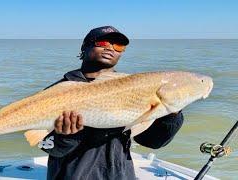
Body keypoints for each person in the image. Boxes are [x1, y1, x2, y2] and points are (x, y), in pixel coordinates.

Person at [39, 26, 184, 180]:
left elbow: (151, 141)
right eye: (102, 43)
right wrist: (66, 136)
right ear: (85, 46)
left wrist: (171, 114)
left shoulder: (133, 89)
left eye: (118, 45)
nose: (110, 48)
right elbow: (46, 145)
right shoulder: (58, 91)